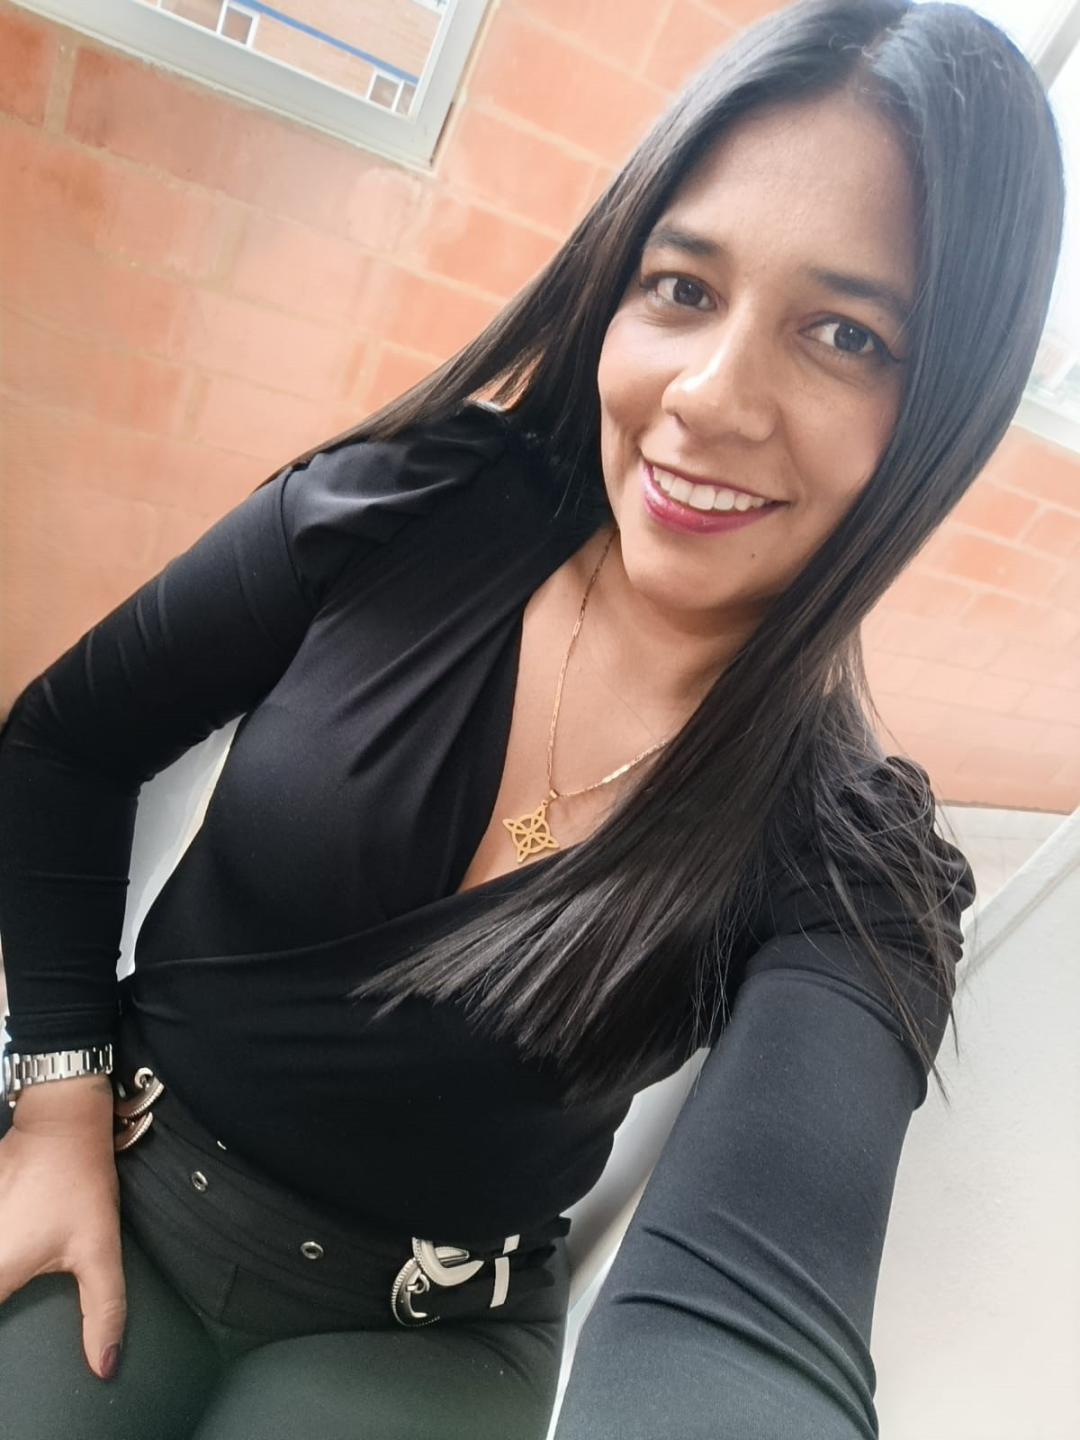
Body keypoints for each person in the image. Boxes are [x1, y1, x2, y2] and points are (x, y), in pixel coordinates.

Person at [0, 1, 1063, 1436]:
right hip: (114, 1156)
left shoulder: (848, 855)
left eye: (845, 334)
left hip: (431, 1339)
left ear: (949, 405)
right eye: (682, 287)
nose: (711, 398)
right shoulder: (406, 513)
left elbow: (757, 1314)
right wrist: (55, 1099)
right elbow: (66, 745)